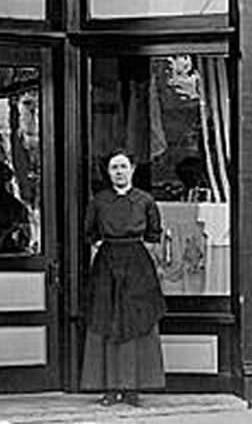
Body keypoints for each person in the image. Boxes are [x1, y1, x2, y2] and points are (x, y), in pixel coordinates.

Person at [80, 149, 165, 407]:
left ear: (132, 170)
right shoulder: (99, 201)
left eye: (123, 167)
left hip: (137, 265)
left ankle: (133, 387)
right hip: (107, 263)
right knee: (107, 320)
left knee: (136, 320)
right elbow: (90, 233)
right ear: (108, 173)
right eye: (114, 168)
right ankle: (109, 387)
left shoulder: (145, 200)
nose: (119, 172)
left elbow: (154, 234)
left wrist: (138, 257)